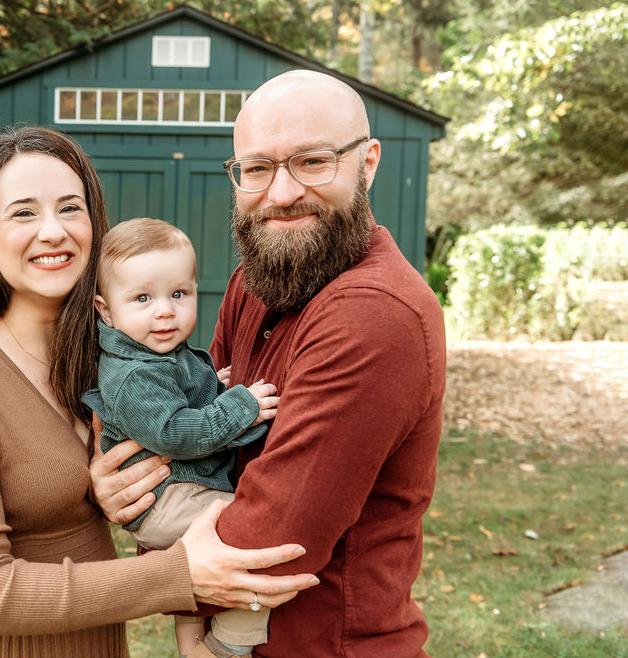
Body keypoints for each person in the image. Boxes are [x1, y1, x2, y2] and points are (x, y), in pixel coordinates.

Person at [0, 126, 319, 657]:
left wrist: (100, 493)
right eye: (24, 212)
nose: (53, 231)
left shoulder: (107, 357)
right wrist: (178, 574)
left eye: (70, 208)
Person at [90, 70, 448, 658]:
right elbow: (207, 433)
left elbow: (273, 537)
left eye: (312, 161)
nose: (280, 193)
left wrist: (156, 530)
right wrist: (127, 490)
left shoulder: (374, 313)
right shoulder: (257, 280)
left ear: (368, 163)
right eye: (256, 168)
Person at [82, 218, 281, 658]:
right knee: (251, 529)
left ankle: (192, 647)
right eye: (142, 298)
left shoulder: (160, 350)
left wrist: (211, 382)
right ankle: (232, 640)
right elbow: (175, 432)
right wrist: (238, 405)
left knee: (229, 536)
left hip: (179, 488)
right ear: (106, 310)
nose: (165, 310)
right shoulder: (132, 375)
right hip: (167, 497)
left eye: (178, 294)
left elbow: (184, 389)